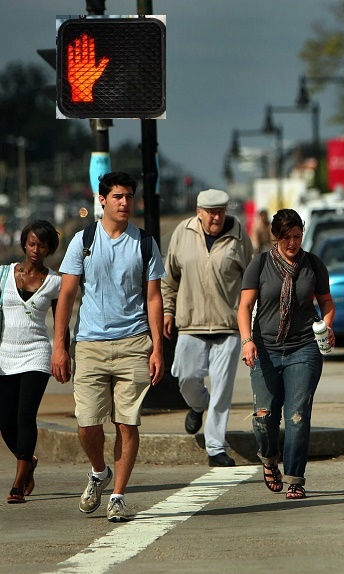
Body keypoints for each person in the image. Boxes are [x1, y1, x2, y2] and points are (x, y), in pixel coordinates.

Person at [51, 171, 166, 523]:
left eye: (129, 196)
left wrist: (157, 347)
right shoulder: (83, 241)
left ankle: (118, 495)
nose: (124, 202)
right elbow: (67, 294)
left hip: (134, 343)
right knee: (87, 424)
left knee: (127, 423)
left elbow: (154, 297)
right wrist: (60, 345)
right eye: (117, 196)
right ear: (102, 200)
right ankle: (99, 471)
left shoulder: (144, 242)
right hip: (89, 343)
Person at [238, 209, 335, 499]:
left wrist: (326, 327)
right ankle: (268, 458)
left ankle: (295, 478)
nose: (293, 242)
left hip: (304, 348)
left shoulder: (313, 265)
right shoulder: (259, 264)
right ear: (276, 237)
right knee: (264, 417)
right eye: (286, 237)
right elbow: (244, 307)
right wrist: (247, 340)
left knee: (297, 415)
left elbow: (327, 303)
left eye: (297, 236)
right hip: (265, 349)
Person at [162, 188, 253, 467]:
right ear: (199, 212)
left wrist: (250, 323)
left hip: (228, 325)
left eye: (220, 212)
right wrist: (167, 310)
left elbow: (252, 279)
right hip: (190, 323)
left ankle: (215, 447)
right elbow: (170, 277)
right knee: (186, 378)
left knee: (223, 388)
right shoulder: (183, 232)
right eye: (210, 212)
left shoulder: (238, 236)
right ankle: (197, 405)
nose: (216, 217)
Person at [0, 221, 61, 504]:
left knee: (25, 415)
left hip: (37, 354)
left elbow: (62, 323)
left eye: (43, 245)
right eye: (32, 243)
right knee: (5, 420)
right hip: (5, 355)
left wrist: (63, 352)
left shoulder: (55, 282)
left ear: (50, 248)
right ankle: (29, 461)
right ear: (24, 243)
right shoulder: (4, 274)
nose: (37, 250)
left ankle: (17, 483)